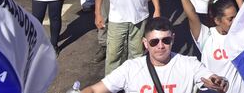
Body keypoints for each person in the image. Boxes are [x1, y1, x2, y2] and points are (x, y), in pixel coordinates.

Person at [80, 17, 229, 93]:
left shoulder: (189, 64)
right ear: (145, 43)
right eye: (154, 42)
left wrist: (219, 83)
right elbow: (95, 90)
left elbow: (212, 78)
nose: (160, 46)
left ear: (173, 39)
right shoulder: (131, 68)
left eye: (166, 40)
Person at [178, 0, 244, 93]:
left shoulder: (242, 35)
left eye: (236, 17)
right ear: (217, 20)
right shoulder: (207, 36)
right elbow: (192, 16)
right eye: (230, 19)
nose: (235, 22)